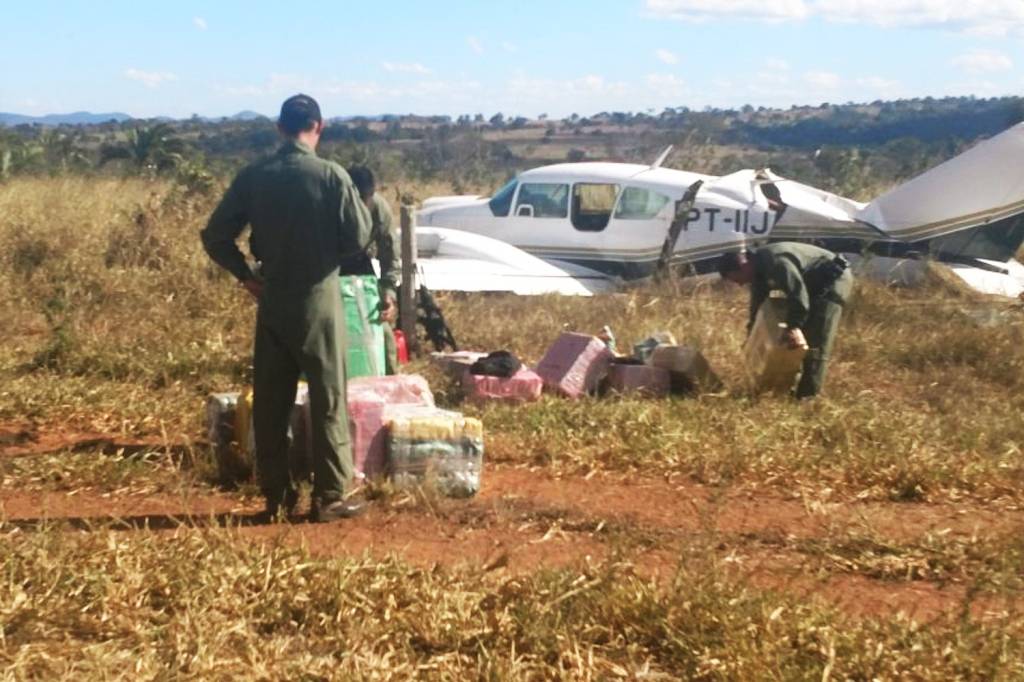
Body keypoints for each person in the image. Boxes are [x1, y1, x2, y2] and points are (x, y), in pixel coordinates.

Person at [201, 94, 372, 522]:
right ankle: (329, 496)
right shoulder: (331, 176)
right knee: (328, 396)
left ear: (279, 128)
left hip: (272, 297)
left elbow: (216, 236)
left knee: (272, 402)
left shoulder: (254, 176)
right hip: (319, 299)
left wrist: (246, 276)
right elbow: (359, 237)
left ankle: (276, 497)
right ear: (319, 126)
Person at [718, 242, 853, 398]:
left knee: (816, 343)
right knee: (793, 342)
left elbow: (798, 296)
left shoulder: (777, 262)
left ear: (743, 265)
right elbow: (757, 309)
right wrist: (751, 338)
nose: (740, 284)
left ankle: (807, 398)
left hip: (834, 279)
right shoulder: (757, 273)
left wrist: (793, 326)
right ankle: (788, 389)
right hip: (812, 283)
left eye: (737, 279)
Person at [340, 165, 400, 373]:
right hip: (330, 269)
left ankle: (390, 382)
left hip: (361, 267)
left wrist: (388, 294)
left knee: (381, 332)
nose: (363, 207)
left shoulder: (379, 210)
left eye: (367, 199)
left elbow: (389, 256)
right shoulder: (325, 207)